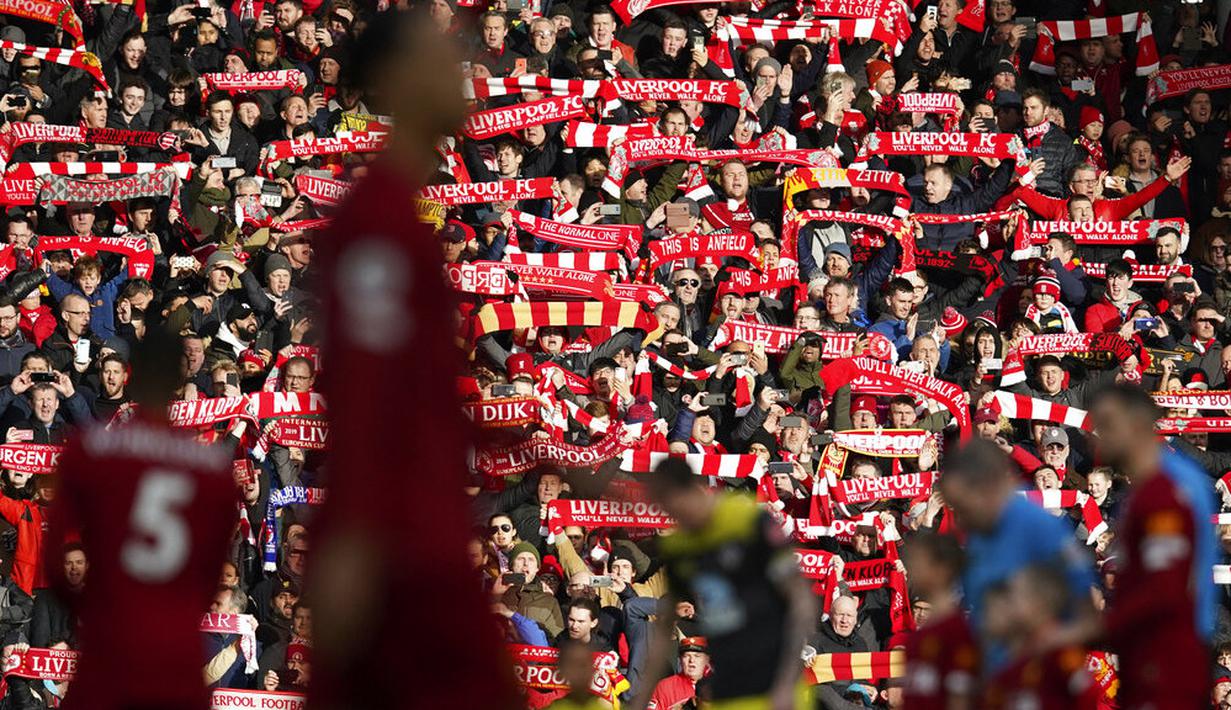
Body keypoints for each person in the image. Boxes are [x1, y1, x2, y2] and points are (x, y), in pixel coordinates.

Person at [307, 9, 518, 710]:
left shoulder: (402, 214)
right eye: (439, 58)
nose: (458, 73)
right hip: (398, 544)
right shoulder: (376, 225)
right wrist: (359, 545)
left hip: (419, 532)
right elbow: (367, 394)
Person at [44, 329, 237, 710]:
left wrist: (94, 610)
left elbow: (56, 554)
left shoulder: (92, 451)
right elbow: (213, 572)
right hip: (176, 658)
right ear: (176, 378)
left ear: (135, 374)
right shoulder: (213, 471)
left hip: (109, 648)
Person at [631, 457, 814, 709]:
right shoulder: (678, 546)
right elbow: (664, 629)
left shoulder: (748, 518)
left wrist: (784, 677)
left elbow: (799, 598)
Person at [1091, 384, 1217, 708]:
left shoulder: (1166, 490)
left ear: (1135, 424)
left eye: (1106, 425)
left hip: (1166, 657)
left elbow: (1165, 590)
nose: (1098, 435)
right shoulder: (1150, 486)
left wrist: (1087, 631)